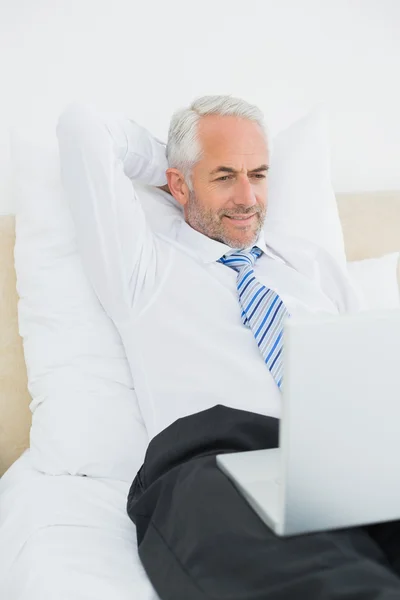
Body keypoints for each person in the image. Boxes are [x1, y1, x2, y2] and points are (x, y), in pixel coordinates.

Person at [56, 96, 400, 599]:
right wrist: (175, 168)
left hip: (343, 456)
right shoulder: (145, 270)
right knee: (320, 580)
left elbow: (369, 363)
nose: (247, 198)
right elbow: (84, 127)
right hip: (215, 459)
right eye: (223, 177)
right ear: (178, 183)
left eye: (258, 174)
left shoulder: (307, 265)